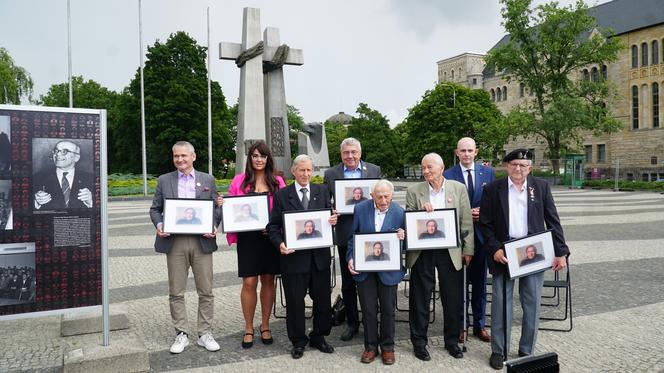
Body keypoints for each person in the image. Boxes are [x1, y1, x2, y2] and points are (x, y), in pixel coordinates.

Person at [479, 148, 569, 370]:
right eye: (514, 164)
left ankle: (526, 350)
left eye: (523, 165)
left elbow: (553, 220)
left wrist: (561, 251)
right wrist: (494, 250)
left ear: (530, 168)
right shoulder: (492, 189)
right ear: (507, 166)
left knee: (532, 303)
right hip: (505, 252)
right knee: (501, 304)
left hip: (533, 253)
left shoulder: (541, 187)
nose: (518, 169)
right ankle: (499, 350)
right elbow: (485, 223)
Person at [149, 141, 221, 354]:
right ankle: (181, 333)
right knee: (176, 290)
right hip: (175, 241)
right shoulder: (164, 180)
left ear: (193, 156)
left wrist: (214, 226)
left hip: (202, 241)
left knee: (206, 290)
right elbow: (155, 209)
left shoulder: (208, 179)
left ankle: (204, 333)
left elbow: (217, 207)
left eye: (184, 156)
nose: (180, 159)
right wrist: (160, 225)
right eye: (176, 156)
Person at [267, 154, 338, 359]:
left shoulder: (322, 191)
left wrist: (333, 220)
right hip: (293, 259)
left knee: (323, 301)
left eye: (309, 170)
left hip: (319, 259)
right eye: (302, 170)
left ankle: (319, 336)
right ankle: (298, 341)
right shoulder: (282, 195)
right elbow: (272, 226)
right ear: (293, 171)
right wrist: (280, 244)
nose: (306, 174)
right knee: (295, 302)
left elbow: (330, 217)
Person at [406, 153, 474, 361]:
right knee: (420, 298)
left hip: (450, 251)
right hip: (422, 252)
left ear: (442, 167)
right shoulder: (414, 190)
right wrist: (420, 211)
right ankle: (419, 342)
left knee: (452, 297)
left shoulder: (458, 188)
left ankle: (452, 341)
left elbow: (466, 221)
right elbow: (408, 219)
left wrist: (468, 249)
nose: (426, 171)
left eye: (430, 167)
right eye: (423, 168)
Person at [220, 140, 286, 348]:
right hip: (248, 239)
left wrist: (278, 228)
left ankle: (265, 325)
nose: (259, 160)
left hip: (270, 238)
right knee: (249, 282)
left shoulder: (277, 182)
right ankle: (248, 326)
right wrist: (224, 204)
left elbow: (284, 209)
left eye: (262, 156)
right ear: (249, 158)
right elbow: (232, 210)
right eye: (255, 156)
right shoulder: (239, 181)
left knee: (268, 281)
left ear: (268, 159)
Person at [324, 137, 381, 341]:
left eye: (354, 152)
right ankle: (352, 323)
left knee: (371, 281)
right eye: (346, 152)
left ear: (360, 152)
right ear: (341, 154)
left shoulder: (374, 171)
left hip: (370, 233)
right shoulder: (331, 174)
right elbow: (325, 202)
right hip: (345, 233)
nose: (350, 156)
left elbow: (383, 198)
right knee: (348, 282)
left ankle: (371, 321)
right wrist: (330, 208)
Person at [347, 180, 405, 365]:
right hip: (365, 269)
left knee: (388, 310)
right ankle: (370, 347)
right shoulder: (360, 209)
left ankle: (388, 348)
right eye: (379, 196)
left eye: (387, 196)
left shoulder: (399, 212)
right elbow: (352, 238)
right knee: (368, 309)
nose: (383, 200)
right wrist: (350, 258)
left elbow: (406, 245)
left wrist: (403, 237)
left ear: (392, 195)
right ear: (372, 195)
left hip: (388, 270)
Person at [444, 136, 496, 343]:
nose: (466, 154)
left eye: (470, 150)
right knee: (460, 284)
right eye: (462, 150)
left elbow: (494, 202)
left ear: (476, 152)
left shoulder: (489, 173)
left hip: (482, 237)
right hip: (459, 238)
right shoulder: (448, 174)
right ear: (457, 153)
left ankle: (479, 324)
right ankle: (461, 325)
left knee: (480, 283)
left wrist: (483, 213)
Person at [33, 140, 94, 210]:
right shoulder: (37, 177)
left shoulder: (90, 178)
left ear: (76, 157)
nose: (58, 154)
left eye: (64, 151)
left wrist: (90, 202)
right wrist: (36, 202)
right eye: (56, 151)